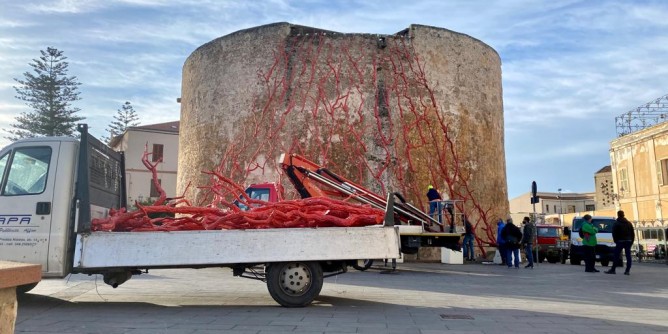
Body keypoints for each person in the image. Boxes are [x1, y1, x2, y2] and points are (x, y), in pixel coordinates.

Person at [605, 210, 635, 275]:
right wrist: (631, 241)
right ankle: (627, 271)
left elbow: (614, 233)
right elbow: (632, 233)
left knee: (616, 255)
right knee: (628, 256)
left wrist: (616, 241)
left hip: (620, 241)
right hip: (628, 241)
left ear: (618, 215)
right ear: (623, 215)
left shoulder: (616, 223)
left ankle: (613, 270)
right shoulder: (629, 223)